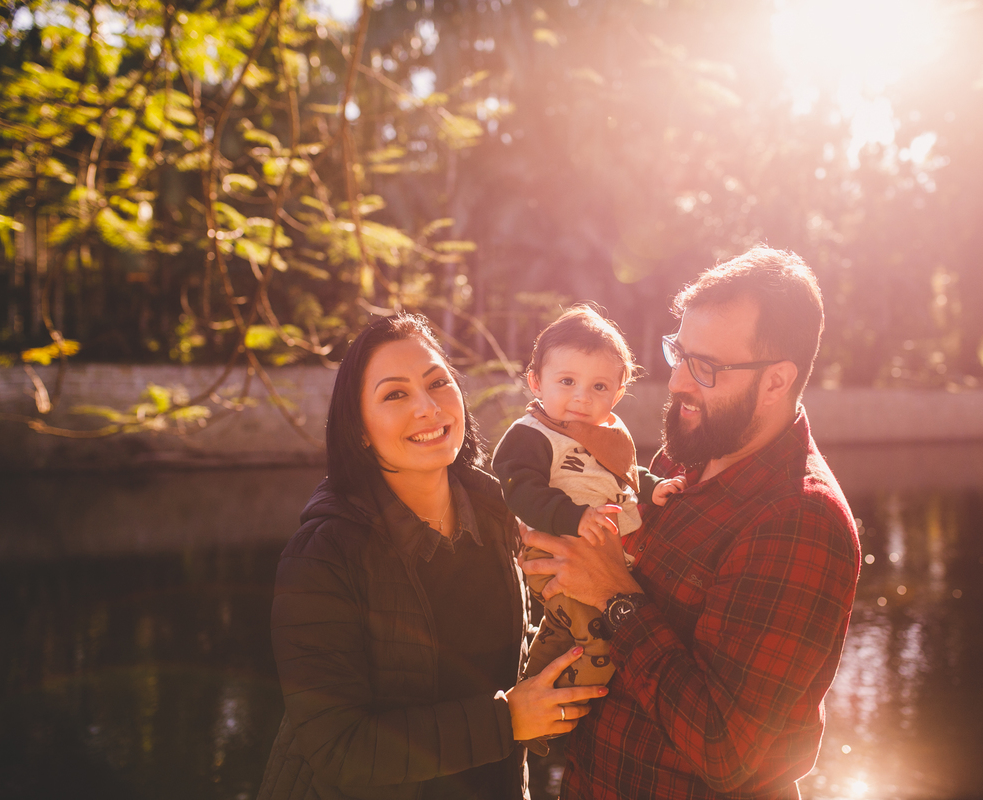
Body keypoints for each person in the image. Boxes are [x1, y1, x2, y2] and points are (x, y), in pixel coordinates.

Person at [521, 246, 862, 799]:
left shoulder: (800, 520)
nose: (677, 381)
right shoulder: (686, 457)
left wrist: (615, 595)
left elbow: (724, 750)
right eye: (679, 352)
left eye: (705, 367)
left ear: (776, 382)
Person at [256, 313, 608, 800]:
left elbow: (484, 657)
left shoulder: (498, 514)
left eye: (438, 383)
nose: (427, 407)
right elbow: (337, 749)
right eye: (395, 394)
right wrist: (506, 721)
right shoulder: (323, 553)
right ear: (359, 428)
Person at [490, 306, 685, 754]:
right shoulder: (533, 434)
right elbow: (520, 487)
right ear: (536, 382)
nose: (582, 397)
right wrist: (575, 517)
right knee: (597, 638)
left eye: (598, 387)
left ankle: (538, 690)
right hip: (558, 556)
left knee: (564, 634)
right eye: (567, 382)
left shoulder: (601, 434)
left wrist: (651, 488)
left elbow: (616, 475)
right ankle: (543, 725)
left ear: (617, 394)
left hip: (595, 559)